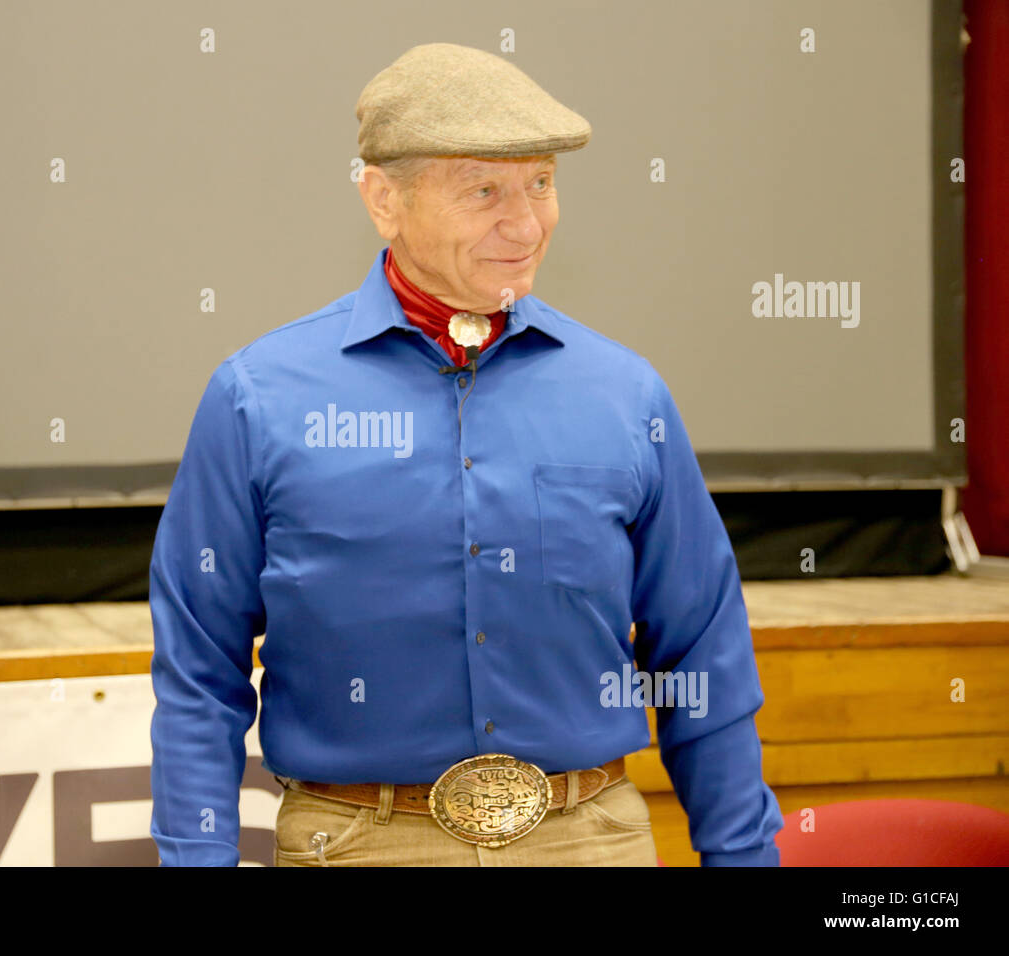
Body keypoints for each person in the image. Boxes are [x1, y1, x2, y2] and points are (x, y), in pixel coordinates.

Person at [148, 41, 783, 866]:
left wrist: (741, 857)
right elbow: (200, 667)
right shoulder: (256, 397)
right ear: (383, 199)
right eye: (483, 190)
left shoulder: (627, 395)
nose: (524, 224)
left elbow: (702, 649)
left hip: (591, 841)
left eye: (542, 185)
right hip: (357, 846)